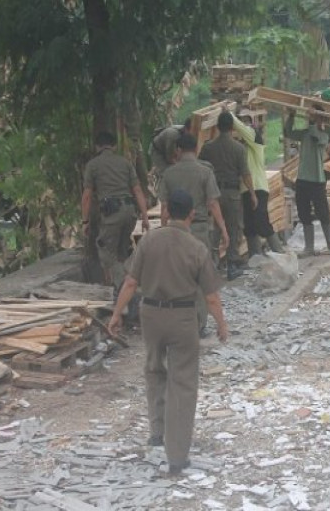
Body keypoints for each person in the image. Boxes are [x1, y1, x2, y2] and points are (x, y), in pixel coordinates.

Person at [108, 189, 228, 476]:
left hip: (151, 314)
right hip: (183, 317)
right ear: (191, 214)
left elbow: (130, 283)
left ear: (165, 212)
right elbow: (211, 298)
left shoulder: (149, 241)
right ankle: (177, 455)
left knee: (154, 369)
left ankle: (156, 432)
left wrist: (116, 314)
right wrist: (222, 325)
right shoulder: (196, 248)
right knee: (183, 382)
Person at [160, 133, 232, 337]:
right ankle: (199, 324)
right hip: (199, 229)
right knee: (201, 277)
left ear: (178, 150)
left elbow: (164, 207)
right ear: (196, 149)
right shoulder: (205, 172)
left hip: (174, 230)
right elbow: (212, 203)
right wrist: (224, 229)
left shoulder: (169, 174)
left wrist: (164, 230)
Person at [81, 131, 150, 290]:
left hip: (112, 214)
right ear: (114, 146)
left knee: (106, 251)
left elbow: (87, 196)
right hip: (130, 212)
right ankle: (125, 286)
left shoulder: (93, 165)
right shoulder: (125, 163)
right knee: (122, 251)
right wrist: (145, 218)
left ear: (97, 146)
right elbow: (138, 191)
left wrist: (85, 222)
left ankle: (124, 290)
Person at [199, 111, 256, 273]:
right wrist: (252, 193)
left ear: (217, 127)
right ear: (232, 128)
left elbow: (200, 166)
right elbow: (245, 173)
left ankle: (212, 263)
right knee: (234, 227)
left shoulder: (208, 147)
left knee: (215, 228)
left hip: (213, 193)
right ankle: (232, 263)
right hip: (232, 194)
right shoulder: (238, 148)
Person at [284, 105, 330, 256]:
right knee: (303, 213)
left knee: (323, 213)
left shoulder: (323, 135)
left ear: (320, 118)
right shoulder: (305, 133)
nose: (309, 118)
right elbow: (289, 132)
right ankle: (309, 247)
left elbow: (315, 136)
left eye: (313, 116)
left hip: (317, 180)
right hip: (302, 179)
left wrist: (314, 121)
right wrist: (292, 116)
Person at [232, 112, 284, 256]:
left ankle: (279, 253)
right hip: (246, 190)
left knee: (261, 221)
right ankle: (255, 257)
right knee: (249, 226)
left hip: (258, 188)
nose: (244, 125)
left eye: (247, 121)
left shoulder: (255, 140)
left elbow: (242, 129)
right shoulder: (243, 147)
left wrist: (228, 113)